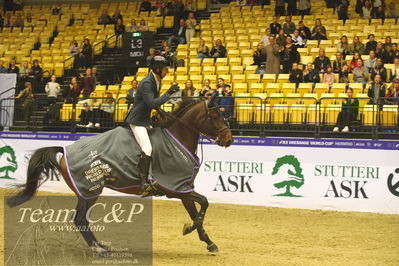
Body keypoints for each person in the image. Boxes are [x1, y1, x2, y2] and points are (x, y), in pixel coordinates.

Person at [125, 56, 180, 196]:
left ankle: (155, 176)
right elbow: (152, 103)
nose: (167, 71)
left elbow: (153, 105)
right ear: (157, 69)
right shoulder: (146, 83)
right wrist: (169, 93)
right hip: (137, 121)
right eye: (164, 69)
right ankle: (143, 182)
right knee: (147, 148)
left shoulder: (156, 80)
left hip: (145, 120)